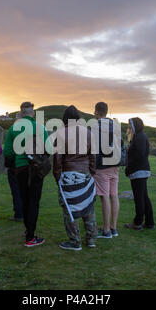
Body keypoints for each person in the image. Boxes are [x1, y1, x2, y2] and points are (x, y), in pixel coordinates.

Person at [3, 102, 51, 247]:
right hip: (36, 168)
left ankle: (28, 229)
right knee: (34, 201)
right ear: (33, 113)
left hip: (20, 168)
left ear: (21, 113)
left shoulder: (13, 129)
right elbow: (48, 149)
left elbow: (8, 152)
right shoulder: (40, 127)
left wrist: (15, 162)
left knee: (24, 199)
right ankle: (30, 237)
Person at [53, 105, 97, 251]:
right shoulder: (88, 133)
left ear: (65, 118)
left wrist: (57, 177)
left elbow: (57, 159)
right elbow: (92, 156)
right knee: (88, 205)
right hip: (85, 173)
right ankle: (91, 239)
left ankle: (74, 241)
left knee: (69, 208)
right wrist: (92, 171)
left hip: (68, 174)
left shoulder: (60, 133)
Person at [92, 102, 121, 238]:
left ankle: (106, 231)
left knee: (104, 197)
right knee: (113, 195)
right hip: (115, 164)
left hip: (102, 165)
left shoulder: (95, 126)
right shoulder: (115, 125)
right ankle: (113, 228)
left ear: (97, 112)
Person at [124, 117, 155, 230]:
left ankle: (137, 223)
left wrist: (129, 167)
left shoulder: (140, 137)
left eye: (129, 125)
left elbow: (139, 155)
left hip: (138, 171)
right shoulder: (138, 136)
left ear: (135, 125)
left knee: (139, 198)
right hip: (141, 170)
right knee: (144, 197)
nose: (128, 127)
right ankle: (150, 222)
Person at [6, 111, 24, 222]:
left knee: (16, 190)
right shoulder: (35, 128)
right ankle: (28, 212)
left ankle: (18, 214)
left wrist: (8, 163)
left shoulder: (13, 129)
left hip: (15, 164)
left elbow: (8, 150)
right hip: (31, 163)